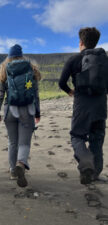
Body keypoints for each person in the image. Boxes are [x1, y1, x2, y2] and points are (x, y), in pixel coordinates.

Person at [59, 27, 108, 184]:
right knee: (97, 139)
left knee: (77, 136)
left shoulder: (73, 60)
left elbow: (61, 82)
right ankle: (95, 174)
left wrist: (70, 91)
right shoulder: (104, 61)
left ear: (81, 42)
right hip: (100, 105)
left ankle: (85, 162)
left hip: (82, 105)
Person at [0, 44, 41, 187]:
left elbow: (0, 93)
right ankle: (21, 163)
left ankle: (13, 171)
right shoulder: (31, 69)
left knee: (12, 142)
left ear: (9, 56)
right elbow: (35, 94)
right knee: (24, 142)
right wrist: (37, 112)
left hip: (10, 111)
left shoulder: (4, 69)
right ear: (21, 55)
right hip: (27, 110)